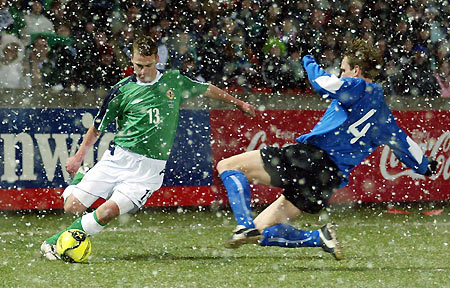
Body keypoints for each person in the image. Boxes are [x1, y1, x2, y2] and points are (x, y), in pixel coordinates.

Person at [216, 38, 437, 260]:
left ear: (356, 70)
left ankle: (243, 225)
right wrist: (426, 167)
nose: (341, 75)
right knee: (260, 231)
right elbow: (406, 146)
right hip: (327, 181)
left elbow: (322, 83)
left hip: (311, 160)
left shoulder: (358, 86)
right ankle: (319, 237)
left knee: (227, 165)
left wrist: (307, 58)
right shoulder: (384, 117)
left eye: (343, 70)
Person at [41, 35, 255, 260]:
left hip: (148, 171)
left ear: (157, 59)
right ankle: (80, 180)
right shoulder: (121, 90)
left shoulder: (175, 80)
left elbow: (207, 89)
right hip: (117, 159)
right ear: (132, 60)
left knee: (108, 211)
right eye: (137, 65)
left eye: (147, 65)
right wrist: (78, 157)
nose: (142, 71)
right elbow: (97, 127)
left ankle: (57, 243)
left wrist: (238, 103)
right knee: (71, 207)